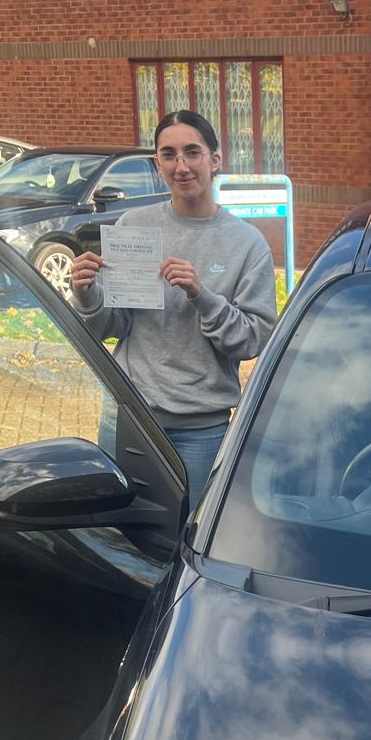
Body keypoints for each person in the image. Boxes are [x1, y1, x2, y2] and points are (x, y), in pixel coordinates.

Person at [69, 110, 276, 500]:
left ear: (214, 160)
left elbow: (252, 342)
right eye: (169, 154)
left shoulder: (246, 244)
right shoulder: (133, 225)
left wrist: (202, 296)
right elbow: (113, 327)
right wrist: (87, 295)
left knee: (190, 537)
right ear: (157, 164)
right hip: (130, 417)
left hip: (202, 429)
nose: (181, 166)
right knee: (122, 533)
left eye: (192, 152)